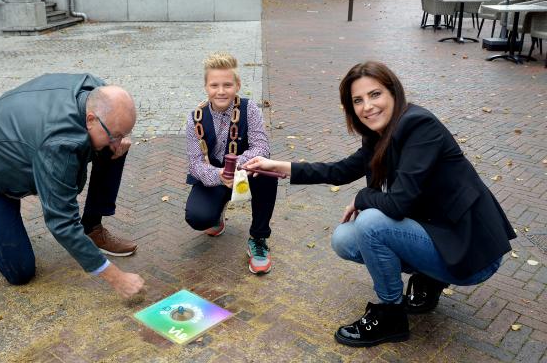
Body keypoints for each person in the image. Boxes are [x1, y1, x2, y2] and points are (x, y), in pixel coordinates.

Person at [243, 61, 516, 346]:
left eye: (375, 95)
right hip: (438, 233)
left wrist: (362, 198)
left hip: (471, 251)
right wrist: (278, 166)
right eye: (357, 100)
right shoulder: (378, 136)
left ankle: (391, 315)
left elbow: (397, 205)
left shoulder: (419, 126)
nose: (367, 107)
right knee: (344, 239)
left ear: (394, 93)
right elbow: (339, 170)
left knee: (371, 224)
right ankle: (429, 277)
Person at [0, 73, 145, 298]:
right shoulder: (59, 144)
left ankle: (91, 228)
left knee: (114, 149)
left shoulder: (97, 93)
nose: (119, 140)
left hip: (20, 143)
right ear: (91, 119)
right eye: (115, 134)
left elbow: (111, 133)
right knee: (20, 271)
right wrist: (116, 277)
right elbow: (61, 221)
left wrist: (117, 138)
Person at [185, 52, 278, 274]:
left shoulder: (250, 110)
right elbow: (196, 163)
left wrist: (236, 169)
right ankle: (216, 214)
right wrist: (219, 175)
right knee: (198, 218)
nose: (220, 91)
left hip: (245, 172)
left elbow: (261, 147)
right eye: (214, 85)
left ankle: (258, 238)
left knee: (267, 171)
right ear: (206, 87)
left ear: (237, 85)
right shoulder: (194, 118)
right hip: (214, 177)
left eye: (227, 84)